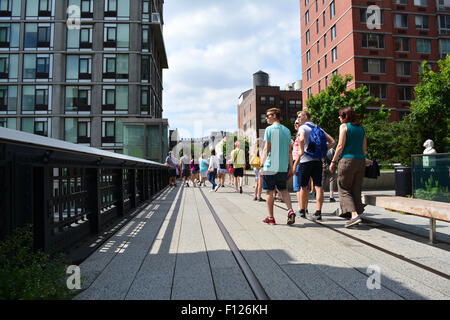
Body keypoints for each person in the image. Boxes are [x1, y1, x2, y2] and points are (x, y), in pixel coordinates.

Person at [292, 110, 335, 222]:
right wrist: (322, 151)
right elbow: (333, 142)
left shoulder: (303, 128)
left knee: (303, 186)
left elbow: (301, 139)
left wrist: (302, 151)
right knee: (318, 186)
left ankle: (302, 210)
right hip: (317, 161)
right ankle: (318, 212)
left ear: (305, 117)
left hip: (305, 161)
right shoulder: (319, 128)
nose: (298, 119)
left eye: (300, 116)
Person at [329, 106, 368, 228]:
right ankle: (355, 212)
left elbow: (340, 145)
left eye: (340, 116)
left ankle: (354, 215)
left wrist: (333, 161)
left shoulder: (344, 126)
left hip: (347, 160)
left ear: (345, 116)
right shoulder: (361, 128)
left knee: (344, 188)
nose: (339, 118)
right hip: (360, 160)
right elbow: (364, 147)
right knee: (356, 188)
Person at [261, 108, 295, 225]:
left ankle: (271, 217)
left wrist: (261, 165)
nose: (266, 118)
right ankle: (290, 210)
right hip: (282, 166)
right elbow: (289, 151)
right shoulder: (287, 131)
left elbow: (267, 148)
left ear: (275, 116)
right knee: (283, 189)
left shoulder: (269, 129)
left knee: (269, 191)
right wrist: (291, 167)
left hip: (270, 165)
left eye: (268, 115)